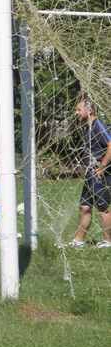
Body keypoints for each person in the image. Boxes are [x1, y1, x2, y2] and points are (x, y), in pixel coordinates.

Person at [69, 98, 111, 248]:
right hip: (90, 174)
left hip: (99, 174)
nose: (76, 113)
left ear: (90, 110)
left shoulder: (98, 125)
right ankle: (78, 240)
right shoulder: (88, 127)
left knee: (102, 208)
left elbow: (110, 145)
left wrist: (102, 167)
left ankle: (108, 241)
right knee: (84, 207)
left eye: (79, 110)